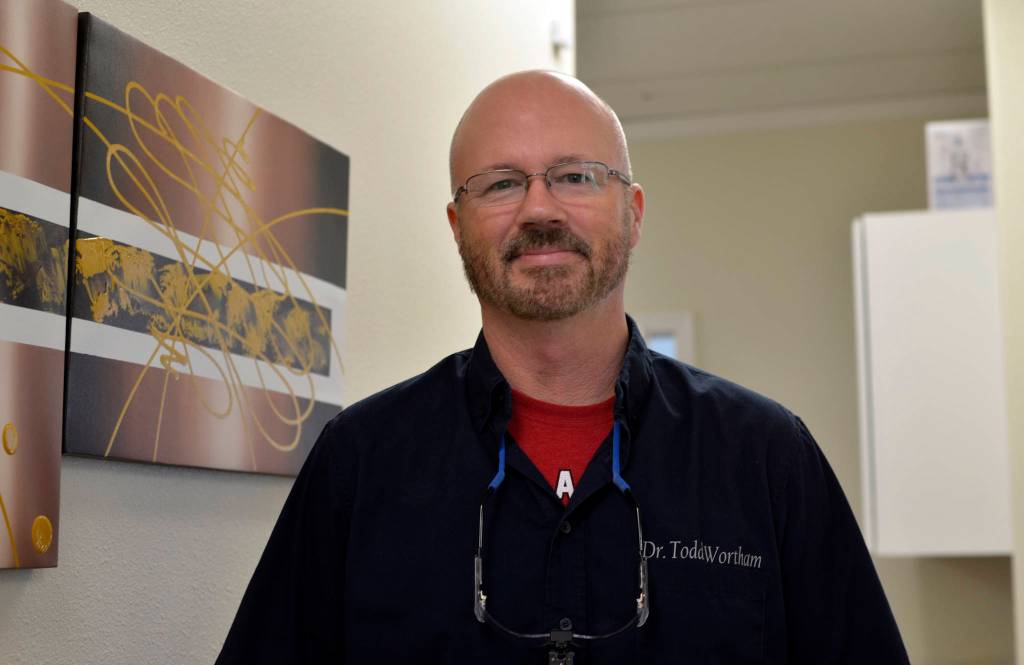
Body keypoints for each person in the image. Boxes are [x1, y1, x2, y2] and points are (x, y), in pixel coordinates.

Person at [216, 71, 909, 664]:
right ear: (458, 226)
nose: (540, 207)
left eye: (576, 176)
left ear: (633, 214)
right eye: (500, 184)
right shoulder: (361, 462)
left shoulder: (766, 458)